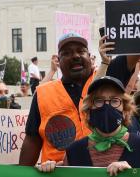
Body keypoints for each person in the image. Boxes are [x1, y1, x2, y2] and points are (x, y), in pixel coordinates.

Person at [36, 76, 140, 174]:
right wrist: (51, 171)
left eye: (115, 101)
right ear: (89, 109)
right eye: (99, 101)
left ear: (125, 110)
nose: (106, 106)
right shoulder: (74, 152)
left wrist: (133, 175)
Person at [20, 35, 95, 166]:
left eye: (81, 51)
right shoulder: (43, 93)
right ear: (58, 62)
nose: (75, 56)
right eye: (67, 53)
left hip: (102, 175)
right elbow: (32, 139)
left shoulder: (105, 86)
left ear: (90, 56)